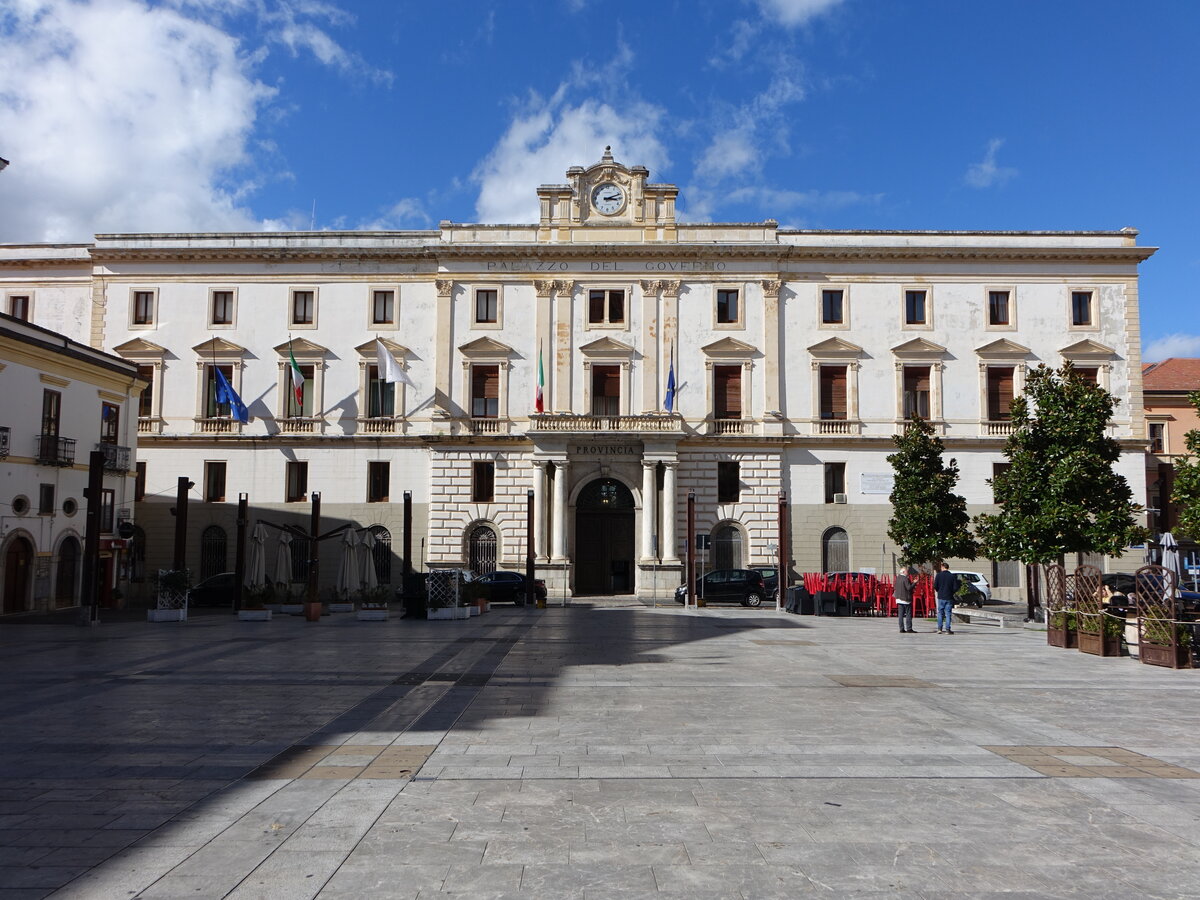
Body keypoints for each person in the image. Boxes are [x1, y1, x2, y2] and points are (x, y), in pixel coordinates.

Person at [933, 562, 959, 634]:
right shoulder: (951, 576)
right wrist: (951, 592)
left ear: (942, 567)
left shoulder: (938, 575)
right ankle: (948, 629)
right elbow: (955, 587)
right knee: (948, 613)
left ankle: (939, 629)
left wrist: (939, 590)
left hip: (941, 596)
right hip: (949, 597)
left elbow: (935, 586)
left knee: (940, 613)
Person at [894, 566, 916, 633]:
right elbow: (909, 588)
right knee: (908, 614)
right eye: (906, 571)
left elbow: (895, 587)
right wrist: (914, 583)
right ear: (903, 572)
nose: (908, 572)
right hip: (906, 599)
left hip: (899, 599)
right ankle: (909, 628)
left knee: (900, 615)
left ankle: (901, 628)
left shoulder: (898, 578)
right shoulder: (905, 578)